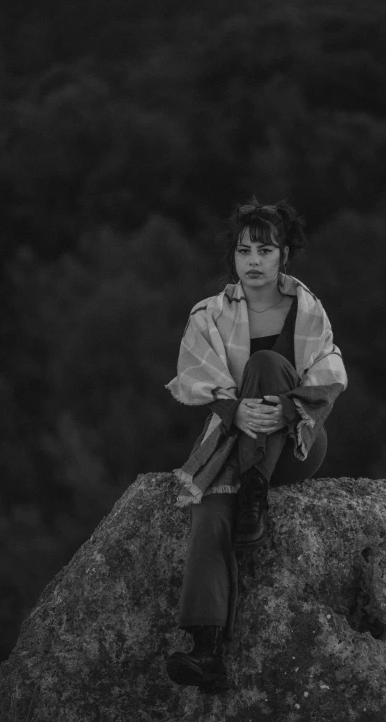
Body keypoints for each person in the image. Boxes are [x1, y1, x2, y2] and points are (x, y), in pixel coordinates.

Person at [163, 197, 347, 692]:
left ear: (284, 255)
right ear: (234, 257)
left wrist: (285, 409)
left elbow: (329, 376)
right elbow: (195, 377)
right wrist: (235, 409)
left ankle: (255, 485)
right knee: (207, 513)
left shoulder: (306, 308)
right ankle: (207, 652)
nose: (254, 261)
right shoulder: (209, 314)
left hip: (296, 444)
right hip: (232, 438)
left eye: (265, 250)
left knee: (265, 367)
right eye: (244, 250)